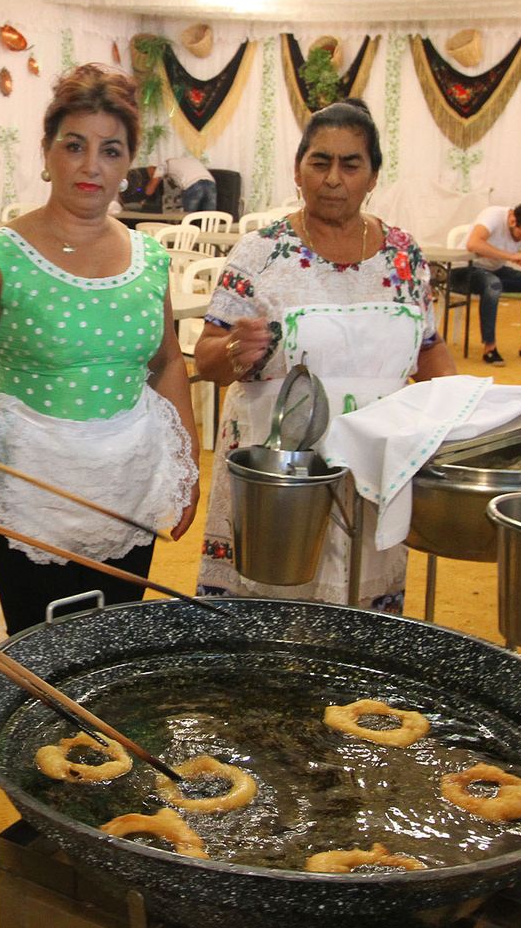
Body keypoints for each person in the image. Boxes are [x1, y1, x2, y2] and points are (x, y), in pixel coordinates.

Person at [0, 64, 200, 634]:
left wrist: (186, 464)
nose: (92, 166)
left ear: (129, 163)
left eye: (111, 150)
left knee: (117, 636)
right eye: (75, 146)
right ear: (47, 150)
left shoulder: (149, 260)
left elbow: (168, 361)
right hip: (32, 475)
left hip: (129, 474)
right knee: (42, 636)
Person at [192, 98, 456, 610]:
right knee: (268, 615)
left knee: (359, 621)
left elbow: (430, 347)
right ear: (298, 169)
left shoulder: (403, 255)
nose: (334, 177)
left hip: (374, 476)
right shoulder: (260, 253)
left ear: (373, 175)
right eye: (320, 161)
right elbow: (205, 359)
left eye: (350, 163)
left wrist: (457, 412)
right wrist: (232, 349)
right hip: (278, 481)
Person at [464, 202, 521, 365]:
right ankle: (490, 348)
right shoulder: (493, 215)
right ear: (513, 221)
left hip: (495, 270)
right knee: (493, 284)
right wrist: (510, 256)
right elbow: (473, 244)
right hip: (467, 269)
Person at [146, 153, 217, 212]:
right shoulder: (187, 160)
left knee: (188, 219)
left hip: (192, 185)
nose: (153, 176)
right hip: (211, 183)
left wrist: (145, 197)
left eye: (152, 174)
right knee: (209, 218)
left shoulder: (164, 164)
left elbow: (150, 190)